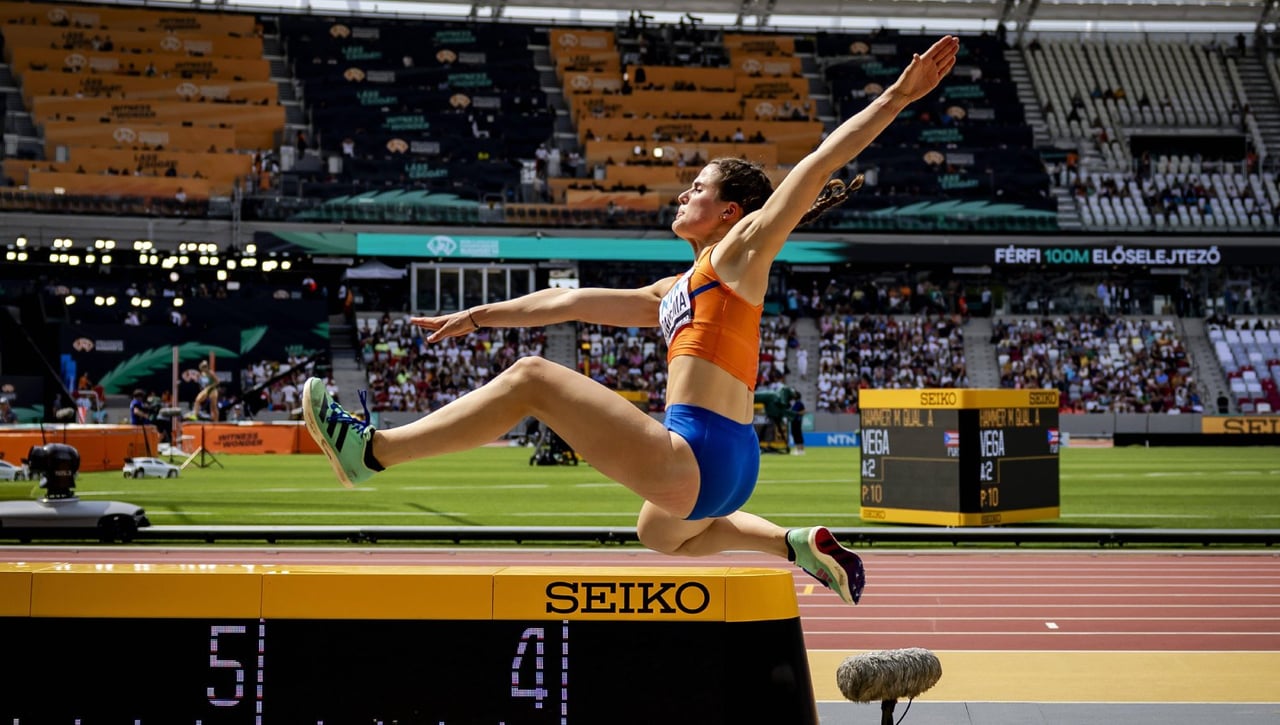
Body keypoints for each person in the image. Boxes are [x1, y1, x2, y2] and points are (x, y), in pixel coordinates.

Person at [301, 36, 960, 607]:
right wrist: (477, 314)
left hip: (695, 451)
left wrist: (897, 96)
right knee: (658, 531)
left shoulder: (739, 254)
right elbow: (570, 301)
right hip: (731, 466)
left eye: (698, 188)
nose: (684, 194)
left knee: (532, 376)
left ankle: (372, 453)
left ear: (732, 212)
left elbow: (817, 167)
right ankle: (790, 543)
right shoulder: (678, 288)